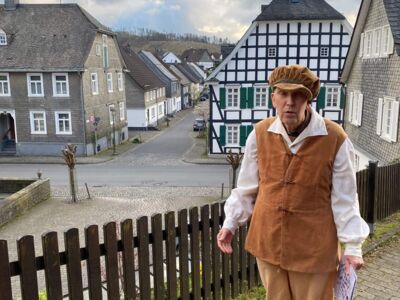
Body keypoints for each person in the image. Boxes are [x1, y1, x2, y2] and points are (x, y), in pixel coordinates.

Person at [217, 65, 369, 299]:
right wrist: (230, 223)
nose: (290, 101)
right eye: (283, 94)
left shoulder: (335, 138)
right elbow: (247, 188)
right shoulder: (259, 133)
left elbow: (346, 199)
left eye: (298, 94)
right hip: (267, 242)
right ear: (273, 98)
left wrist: (353, 246)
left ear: (309, 100)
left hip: (314, 249)